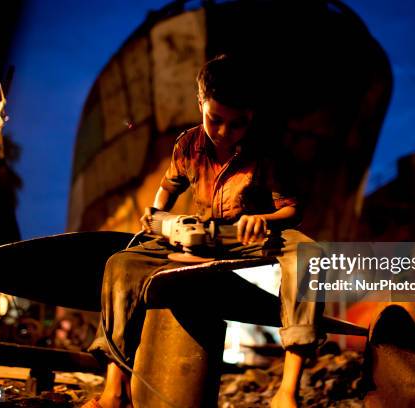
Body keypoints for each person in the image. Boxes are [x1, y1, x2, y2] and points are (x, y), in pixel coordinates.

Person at [84, 54, 324, 408]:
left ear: (252, 116)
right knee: (122, 265)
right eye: (216, 120)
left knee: (310, 257)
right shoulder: (187, 145)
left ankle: (287, 392)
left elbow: (293, 209)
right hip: (198, 233)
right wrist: (157, 214)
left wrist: (265, 220)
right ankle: (114, 391)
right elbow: (169, 185)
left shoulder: (267, 152)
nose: (225, 132)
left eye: (238, 124)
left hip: (250, 236)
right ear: (200, 104)